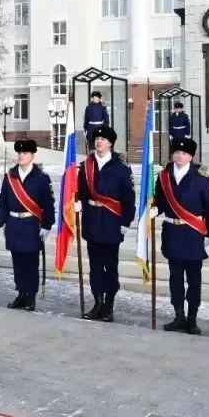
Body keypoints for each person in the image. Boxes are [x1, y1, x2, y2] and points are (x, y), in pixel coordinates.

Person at [150, 137, 209, 334]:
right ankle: (179, 315)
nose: (179, 155)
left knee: (194, 280)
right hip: (173, 234)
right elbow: (160, 200)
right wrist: (155, 210)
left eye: (184, 153)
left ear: (191, 156)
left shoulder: (202, 179)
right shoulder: (163, 177)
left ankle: (192, 318)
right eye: (177, 152)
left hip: (193, 234)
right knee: (175, 279)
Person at [75, 125, 134, 323]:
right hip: (92, 220)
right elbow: (81, 192)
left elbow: (129, 198)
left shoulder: (121, 167)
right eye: (96, 139)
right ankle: (97, 304)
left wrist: (126, 221)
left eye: (103, 139)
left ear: (110, 143)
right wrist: (77, 203)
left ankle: (109, 305)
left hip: (112, 222)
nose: (98, 142)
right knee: (95, 267)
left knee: (111, 267)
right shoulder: (86, 166)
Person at [0, 138, 55, 311]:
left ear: (32, 156)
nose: (21, 156)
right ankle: (21, 293)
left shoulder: (42, 178)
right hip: (14, 222)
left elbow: (48, 204)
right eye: (19, 153)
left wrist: (46, 226)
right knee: (18, 260)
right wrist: (2, 221)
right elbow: (3, 200)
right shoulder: (10, 176)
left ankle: (31, 296)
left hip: (31, 223)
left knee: (30, 261)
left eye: (25, 153)